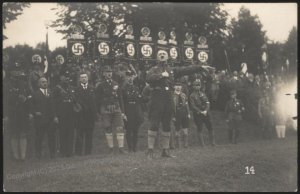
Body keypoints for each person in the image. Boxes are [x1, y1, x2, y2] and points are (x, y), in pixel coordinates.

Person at [145, 50, 213, 158]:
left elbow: (186, 70)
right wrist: (161, 75)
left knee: (167, 124)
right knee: (154, 124)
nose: (162, 55)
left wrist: (200, 67)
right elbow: (148, 78)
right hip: (157, 99)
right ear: (157, 58)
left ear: (167, 57)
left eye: (164, 54)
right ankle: (150, 151)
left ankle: (165, 151)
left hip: (168, 99)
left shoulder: (172, 70)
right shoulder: (153, 70)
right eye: (160, 54)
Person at [96, 66, 126, 154]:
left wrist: (123, 111)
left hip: (116, 107)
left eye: (110, 72)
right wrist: (99, 111)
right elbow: (97, 99)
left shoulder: (116, 83)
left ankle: (121, 148)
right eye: (107, 72)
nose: (109, 74)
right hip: (106, 108)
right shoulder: (100, 85)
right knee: (108, 127)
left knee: (120, 127)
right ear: (104, 74)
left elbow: (120, 98)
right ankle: (111, 148)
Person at [5, 63, 31, 161]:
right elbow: (5, 101)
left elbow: (29, 97)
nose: (17, 72)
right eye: (15, 70)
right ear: (11, 72)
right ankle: (16, 156)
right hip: (12, 113)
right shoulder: (7, 85)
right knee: (14, 134)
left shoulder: (24, 84)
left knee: (23, 133)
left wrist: (29, 111)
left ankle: (23, 156)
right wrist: (6, 115)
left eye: (19, 70)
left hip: (23, 112)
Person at [29, 77, 59, 159]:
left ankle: (52, 154)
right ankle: (38, 154)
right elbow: (31, 106)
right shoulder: (35, 94)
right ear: (39, 84)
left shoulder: (50, 93)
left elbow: (54, 106)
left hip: (50, 120)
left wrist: (55, 116)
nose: (45, 83)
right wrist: (35, 112)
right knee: (39, 138)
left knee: (51, 137)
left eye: (46, 82)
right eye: (42, 82)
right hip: (40, 120)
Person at [53, 72, 76, 157]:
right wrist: (55, 115)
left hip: (71, 113)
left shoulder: (71, 88)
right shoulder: (56, 89)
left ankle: (69, 152)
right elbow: (53, 103)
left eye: (67, 76)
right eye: (64, 76)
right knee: (62, 132)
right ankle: (63, 151)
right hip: (61, 113)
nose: (66, 78)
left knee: (71, 132)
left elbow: (74, 100)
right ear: (60, 78)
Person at [74, 71, 97, 155]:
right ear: (79, 79)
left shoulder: (92, 89)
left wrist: (95, 115)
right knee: (79, 134)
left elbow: (95, 102)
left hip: (90, 115)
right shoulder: (76, 89)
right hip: (80, 115)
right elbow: (75, 102)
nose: (84, 79)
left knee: (89, 134)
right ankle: (78, 152)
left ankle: (88, 152)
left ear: (88, 78)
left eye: (85, 77)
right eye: (82, 77)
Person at [122, 69, 144, 152]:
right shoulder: (123, 89)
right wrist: (123, 113)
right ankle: (130, 148)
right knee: (129, 130)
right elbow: (123, 102)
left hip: (136, 110)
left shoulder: (136, 88)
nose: (130, 78)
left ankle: (135, 148)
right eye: (128, 77)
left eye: (131, 76)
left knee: (136, 130)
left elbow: (139, 100)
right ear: (126, 78)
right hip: (128, 110)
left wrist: (140, 112)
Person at [190, 79, 216, 147]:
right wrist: (200, 111)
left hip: (206, 113)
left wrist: (206, 110)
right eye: (196, 85)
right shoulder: (192, 95)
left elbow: (207, 102)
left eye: (199, 85)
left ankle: (212, 143)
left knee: (210, 127)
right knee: (200, 128)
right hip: (198, 114)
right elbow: (193, 106)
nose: (197, 87)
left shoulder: (203, 94)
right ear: (193, 86)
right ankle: (202, 144)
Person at [172, 81, 190, 148]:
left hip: (184, 112)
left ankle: (185, 144)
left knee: (185, 129)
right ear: (174, 87)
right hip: (177, 113)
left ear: (181, 87)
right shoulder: (172, 95)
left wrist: (188, 113)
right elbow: (171, 107)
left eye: (179, 86)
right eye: (176, 85)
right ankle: (178, 145)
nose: (178, 87)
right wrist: (173, 116)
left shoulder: (183, 95)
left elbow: (186, 104)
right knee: (177, 129)